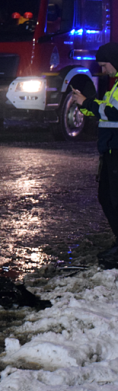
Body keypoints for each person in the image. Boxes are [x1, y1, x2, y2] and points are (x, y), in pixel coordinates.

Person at [73, 42, 118, 268]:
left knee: (114, 199)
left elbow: (113, 112)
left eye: (105, 64)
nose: (104, 70)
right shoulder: (116, 86)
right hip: (110, 150)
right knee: (107, 198)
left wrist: (88, 102)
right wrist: (84, 105)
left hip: (116, 150)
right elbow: (105, 109)